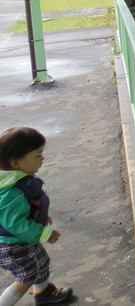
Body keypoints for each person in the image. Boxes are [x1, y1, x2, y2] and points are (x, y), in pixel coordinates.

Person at [0, 127, 73, 305]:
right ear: (16, 163)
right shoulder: (11, 190)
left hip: (22, 238)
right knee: (26, 275)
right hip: (11, 244)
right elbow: (15, 223)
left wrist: (40, 217)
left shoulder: (19, 178)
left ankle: (43, 293)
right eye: (38, 155)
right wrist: (43, 233)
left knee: (41, 261)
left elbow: (28, 206)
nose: (42, 159)